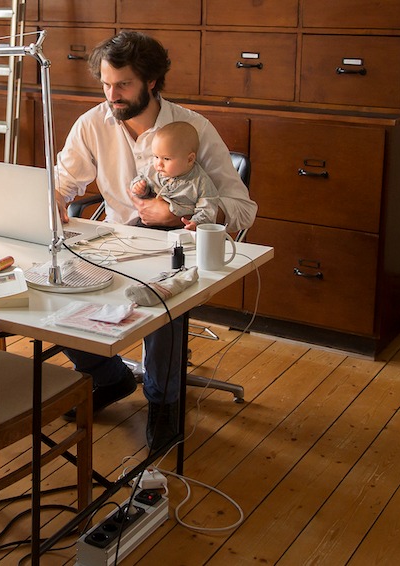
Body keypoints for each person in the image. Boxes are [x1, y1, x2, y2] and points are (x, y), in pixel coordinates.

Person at [53, 31, 257, 450]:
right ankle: (110, 377)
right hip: (114, 244)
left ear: (151, 81)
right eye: (106, 84)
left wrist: (183, 214)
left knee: (162, 301)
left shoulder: (192, 129)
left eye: (123, 84)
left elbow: (242, 207)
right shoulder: (93, 123)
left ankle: (165, 404)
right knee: (49, 284)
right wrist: (53, 200)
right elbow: (62, 182)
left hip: (174, 246)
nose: (113, 95)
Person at [129, 121, 220, 230]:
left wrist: (196, 223)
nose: (159, 164)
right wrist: (139, 188)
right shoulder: (152, 171)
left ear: (190, 159)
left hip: (179, 228)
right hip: (147, 223)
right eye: (156, 157)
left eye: (166, 158)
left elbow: (208, 209)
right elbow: (140, 179)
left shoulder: (200, 182)